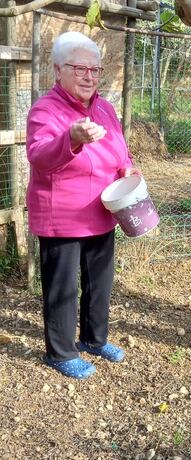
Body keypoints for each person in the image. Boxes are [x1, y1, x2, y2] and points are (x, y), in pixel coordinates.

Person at [26, 31, 141, 379]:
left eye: (95, 69)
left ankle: (93, 339)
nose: (89, 76)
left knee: (100, 283)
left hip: (103, 212)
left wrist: (128, 166)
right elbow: (40, 156)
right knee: (62, 287)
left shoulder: (105, 108)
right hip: (62, 216)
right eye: (79, 69)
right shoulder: (46, 110)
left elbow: (119, 148)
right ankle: (60, 352)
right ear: (58, 70)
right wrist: (71, 138)